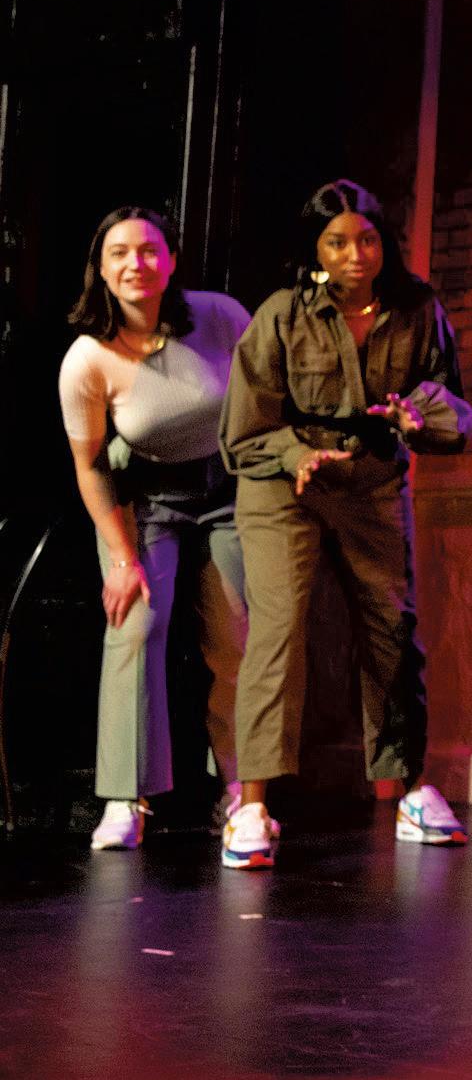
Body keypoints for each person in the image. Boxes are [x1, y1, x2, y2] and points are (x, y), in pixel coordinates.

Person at [219, 180, 472, 870]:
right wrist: (296, 455)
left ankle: (410, 790)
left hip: (372, 476)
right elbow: (243, 431)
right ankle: (252, 804)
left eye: (367, 239)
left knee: (392, 626)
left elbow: (452, 404)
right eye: (337, 242)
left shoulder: (418, 309)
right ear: (316, 249)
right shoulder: (281, 313)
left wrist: (419, 416)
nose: (356, 254)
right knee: (280, 626)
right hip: (285, 482)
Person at [58, 207, 248, 850]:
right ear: (101, 268)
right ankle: (125, 798)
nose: (135, 263)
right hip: (142, 496)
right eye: (119, 253)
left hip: (228, 488)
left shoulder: (221, 316)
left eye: (148, 250)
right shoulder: (88, 358)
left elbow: (266, 398)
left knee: (237, 635)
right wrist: (121, 559)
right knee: (135, 623)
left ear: (170, 260)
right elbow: (89, 465)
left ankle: (241, 791)